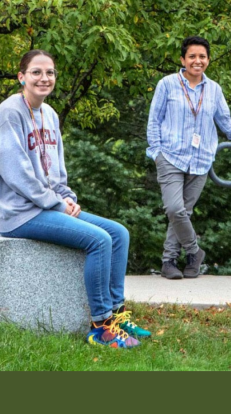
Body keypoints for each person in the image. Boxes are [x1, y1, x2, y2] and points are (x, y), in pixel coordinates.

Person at [0, 49, 151, 348]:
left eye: (50, 73)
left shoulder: (50, 114)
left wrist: (67, 198)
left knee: (118, 233)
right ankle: (100, 326)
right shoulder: (8, 113)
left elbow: (56, 170)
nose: (44, 78)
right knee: (99, 240)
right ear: (22, 77)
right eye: (36, 72)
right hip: (19, 214)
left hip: (48, 207)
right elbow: (16, 174)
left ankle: (117, 314)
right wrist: (57, 203)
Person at [147, 36, 231, 280]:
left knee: (184, 211)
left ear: (208, 59)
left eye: (202, 56)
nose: (197, 61)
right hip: (170, 157)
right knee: (175, 208)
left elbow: (226, 124)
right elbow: (154, 121)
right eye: (192, 56)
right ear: (183, 59)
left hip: (200, 160)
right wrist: (157, 153)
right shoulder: (167, 84)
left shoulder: (214, 89)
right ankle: (194, 251)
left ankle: (169, 261)